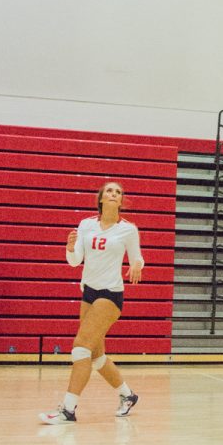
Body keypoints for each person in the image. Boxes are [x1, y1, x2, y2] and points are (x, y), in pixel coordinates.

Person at [39, 181, 143, 425]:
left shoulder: (128, 230)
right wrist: (68, 248)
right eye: (109, 190)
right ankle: (128, 395)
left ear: (121, 201)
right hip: (88, 293)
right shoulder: (86, 225)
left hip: (111, 294)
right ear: (101, 198)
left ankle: (68, 409)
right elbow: (75, 261)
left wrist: (138, 264)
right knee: (96, 356)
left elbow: (137, 257)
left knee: (81, 347)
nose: (113, 194)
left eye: (118, 192)